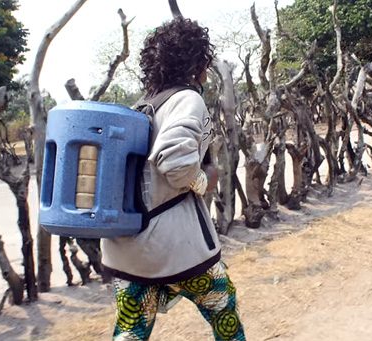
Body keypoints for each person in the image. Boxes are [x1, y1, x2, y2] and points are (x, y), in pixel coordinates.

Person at [101, 17, 245, 341]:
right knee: (226, 317)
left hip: (128, 253)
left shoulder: (143, 105)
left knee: (129, 334)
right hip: (177, 250)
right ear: (197, 63)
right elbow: (174, 160)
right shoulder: (187, 100)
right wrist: (202, 180)